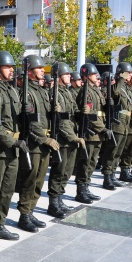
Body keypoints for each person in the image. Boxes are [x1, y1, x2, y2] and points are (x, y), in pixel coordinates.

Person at [0, 51, 26, 247]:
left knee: (8, 189)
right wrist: (12, 141)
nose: (11, 70)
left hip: (13, 148)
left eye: (11, 67)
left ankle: (1, 223)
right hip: (0, 148)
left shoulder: (13, 91)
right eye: (7, 67)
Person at [16, 55, 60, 232]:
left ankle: (31, 210)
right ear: (30, 71)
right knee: (30, 180)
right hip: (33, 144)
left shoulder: (41, 91)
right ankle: (24, 215)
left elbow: (45, 118)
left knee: (39, 180)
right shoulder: (26, 92)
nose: (43, 70)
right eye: (39, 68)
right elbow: (31, 122)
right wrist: (44, 139)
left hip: (44, 143)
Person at [46, 62, 84, 218]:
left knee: (67, 171)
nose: (70, 76)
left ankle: (60, 198)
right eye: (67, 74)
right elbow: (61, 121)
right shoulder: (54, 93)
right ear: (59, 76)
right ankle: (53, 203)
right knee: (59, 171)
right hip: (62, 139)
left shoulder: (67, 93)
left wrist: (82, 112)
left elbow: (73, 112)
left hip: (71, 138)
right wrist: (73, 137)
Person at [74, 64, 109, 203]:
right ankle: (81, 190)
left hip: (97, 133)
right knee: (85, 162)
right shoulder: (86, 92)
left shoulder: (96, 91)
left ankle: (86, 186)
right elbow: (89, 115)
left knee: (92, 162)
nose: (97, 77)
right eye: (94, 75)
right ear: (87, 76)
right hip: (90, 132)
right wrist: (102, 128)